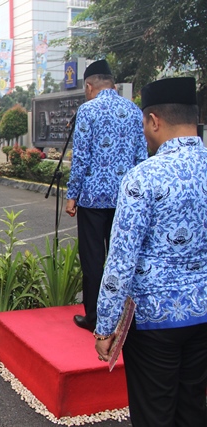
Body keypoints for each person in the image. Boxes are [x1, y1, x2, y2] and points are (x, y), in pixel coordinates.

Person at [94, 77, 207, 427]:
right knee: (193, 408)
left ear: (154, 120)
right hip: (203, 311)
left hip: (154, 320)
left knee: (154, 413)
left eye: (145, 123)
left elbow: (121, 259)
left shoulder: (143, 177)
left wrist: (105, 325)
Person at [65, 59, 148, 332]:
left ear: (89, 86)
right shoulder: (135, 111)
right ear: (112, 83)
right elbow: (141, 158)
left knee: (93, 259)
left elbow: (81, 158)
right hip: (126, 200)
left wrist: (72, 195)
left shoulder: (87, 111)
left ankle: (95, 318)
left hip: (92, 198)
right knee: (122, 256)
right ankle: (123, 317)